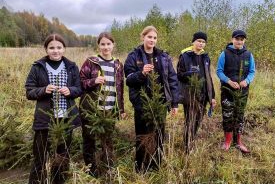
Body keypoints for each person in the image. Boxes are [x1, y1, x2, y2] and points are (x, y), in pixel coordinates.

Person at [25, 33, 82, 184]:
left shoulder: (71, 66)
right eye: (51, 48)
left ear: (64, 49)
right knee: (40, 155)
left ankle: (59, 180)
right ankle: (37, 181)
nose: (55, 51)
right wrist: (43, 90)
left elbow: (79, 89)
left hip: (66, 119)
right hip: (45, 119)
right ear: (46, 49)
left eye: (59, 47)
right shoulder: (37, 67)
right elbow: (29, 91)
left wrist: (71, 91)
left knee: (63, 155)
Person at [124, 25, 179, 172]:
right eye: (149, 37)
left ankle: (156, 165)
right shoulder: (133, 56)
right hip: (142, 104)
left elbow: (172, 80)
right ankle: (140, 167)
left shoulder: (164, 57)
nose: (152, 40)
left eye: (154, 38)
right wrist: (141, 74)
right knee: (142, 136)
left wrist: (174, 103)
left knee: (159, 135)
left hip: (160, 104)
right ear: (143, 37)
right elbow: (129, 80)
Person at [79, 32, 125, 177]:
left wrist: (121, 109)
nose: (106, 47)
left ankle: (107, 166)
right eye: (102, 44)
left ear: (113, 45)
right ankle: (91, 170)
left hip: (110, 109)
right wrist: (93, 81)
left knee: (108, 140)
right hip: (92, 110)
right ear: (98, 45)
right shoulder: (91, 62)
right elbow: (79, 84)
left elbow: (120, 87)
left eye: (108, 44)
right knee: (89, 140)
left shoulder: (118, 64)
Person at [177, 31, 216, 153]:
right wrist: (190, 75)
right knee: (190, 120)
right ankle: (187, 146)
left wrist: (212, 96)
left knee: (198, 119)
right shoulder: (185, 56)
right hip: (190, 94)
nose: (201, 43)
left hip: (203, 94)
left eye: (203, 42)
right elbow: (179, 75)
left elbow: (208, 77)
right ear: (193, 41)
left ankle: (191, 140)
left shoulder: (206, 57)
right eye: (199, 41)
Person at [216, 30, 255, 153]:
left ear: (244, 41)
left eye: (242, 39)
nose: (239, 41)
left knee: (239, 115)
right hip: (227, 90)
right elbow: (219, 71)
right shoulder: (225, 54)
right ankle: (227, 141)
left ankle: (238, 141)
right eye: (237, 39)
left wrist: (247, 81)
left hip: (242, 92)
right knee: (227, 114)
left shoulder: (249, 55)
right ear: (232, 39)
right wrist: (228, 81)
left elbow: (252, 72)